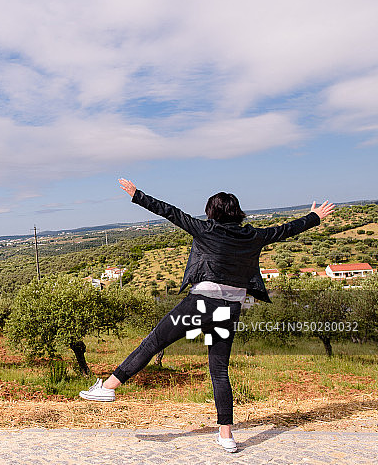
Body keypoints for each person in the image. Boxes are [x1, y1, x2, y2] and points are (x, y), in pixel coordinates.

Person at [79, 178, 335, 453]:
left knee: (154, 342)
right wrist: (314, 217)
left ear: (211, 212)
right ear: (237, 212)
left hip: (201, 304)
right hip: (230, 309)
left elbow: (170, 212)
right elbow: (285, 230)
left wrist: (137, 194)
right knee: (219, 371)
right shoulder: (253, 236)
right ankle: (226, 436)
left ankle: (109, 386)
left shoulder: (205, 230)